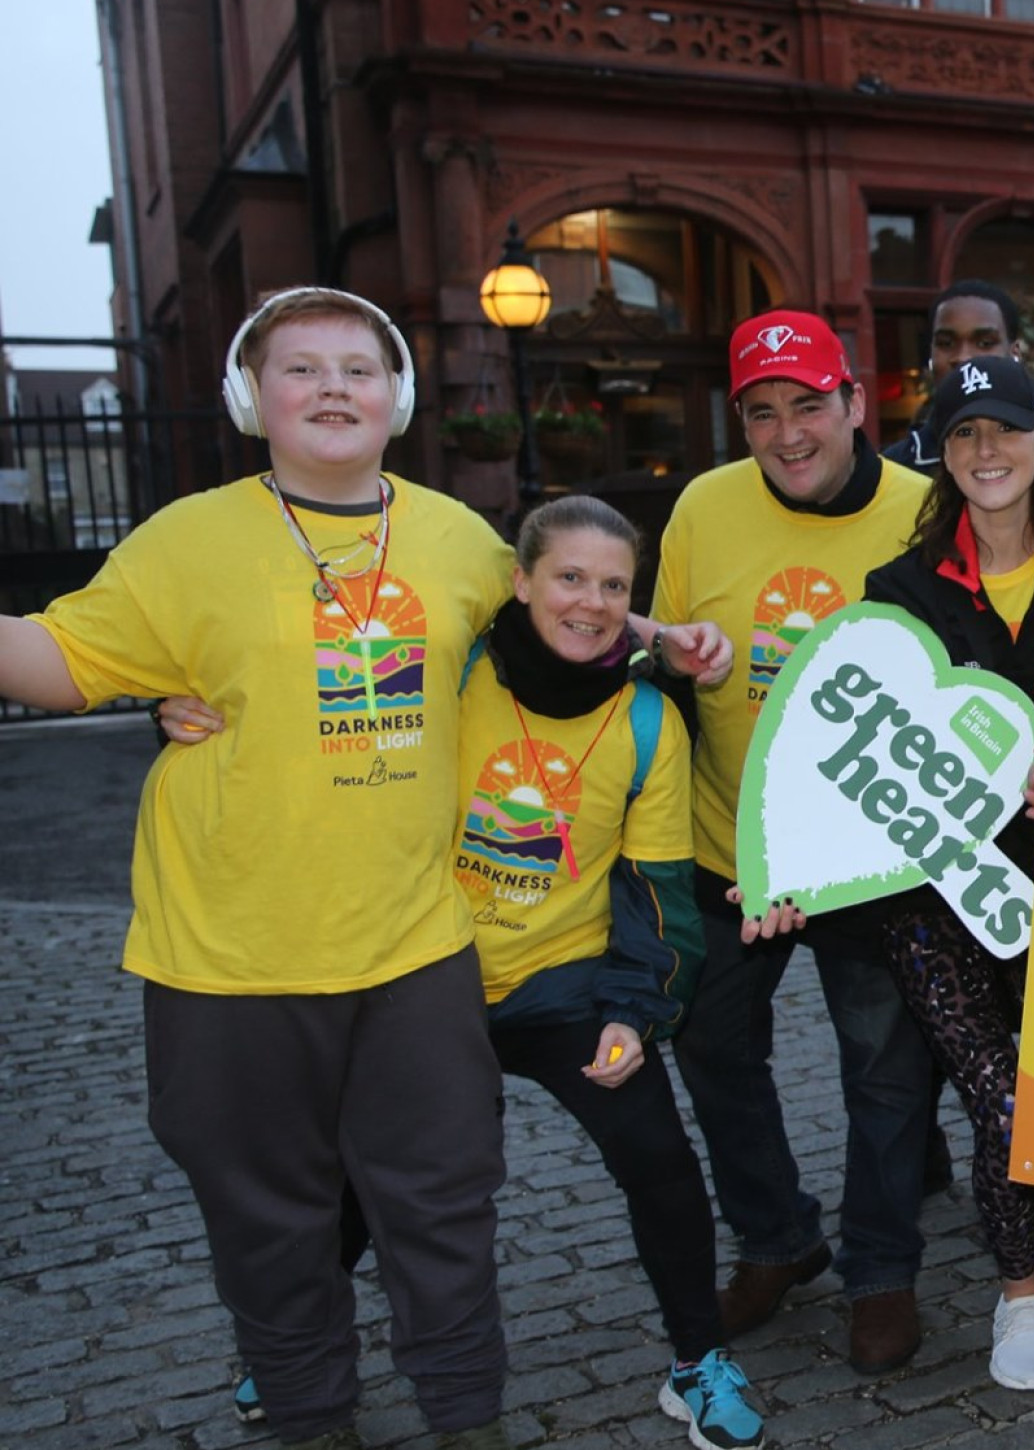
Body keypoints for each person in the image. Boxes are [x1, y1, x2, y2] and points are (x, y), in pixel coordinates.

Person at [0, 287, 707, 1450]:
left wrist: (671, 643)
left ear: (396, 398)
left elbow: (560, 613)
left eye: (359, 368)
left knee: (445, 1205)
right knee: (269, 1222)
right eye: (301, 367)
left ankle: (466, 1420)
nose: (333, 386)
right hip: (228, 959)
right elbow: (60, 660)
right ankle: (310, 1420)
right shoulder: (186, 541)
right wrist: (165, 696)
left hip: (415, 950)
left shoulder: (458, 541)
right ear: (252, 397)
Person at [173, 497, 768, 1450]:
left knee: (659, 1159)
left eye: (613, 585)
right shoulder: (448, 675)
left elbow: (659, 896)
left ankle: (699, 1359)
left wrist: (634, 1012)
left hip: (564, 986)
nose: (591, 602)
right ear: (519, 581)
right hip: (424, 981)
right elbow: (301, 727)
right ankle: (296, 1357)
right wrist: (180, 710)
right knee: (366, 1182)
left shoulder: (651, 722)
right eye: (568, 577)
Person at [758, 354, 1034, 1391]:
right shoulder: (898, 592)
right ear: (942, 456)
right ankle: (1017, 1289)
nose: (986, 450)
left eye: (1006, 428)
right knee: (1004, 1102)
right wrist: (778, 863)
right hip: (939, 891)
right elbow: (855, 751)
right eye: (965, 433)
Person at [656, 310, 941, 1375]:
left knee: (886, 1068)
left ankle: (883, 1271)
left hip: (873, 853)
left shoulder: (925, 510)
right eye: (762, 413)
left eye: (809, 405)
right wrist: (674, 661)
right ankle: (777, 1238)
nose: (787, 434)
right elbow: (662, 656)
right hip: (734, 844)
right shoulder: (702, 505)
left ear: (856, 403)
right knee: (710, 1043)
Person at [883, 280, 1034, 476]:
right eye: (946, 343)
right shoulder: (896, 469)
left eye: (985, 343)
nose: (963, 357)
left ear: (1015, 354)